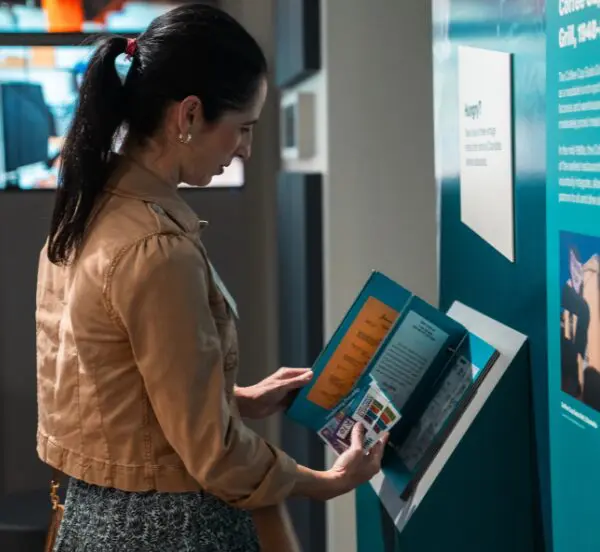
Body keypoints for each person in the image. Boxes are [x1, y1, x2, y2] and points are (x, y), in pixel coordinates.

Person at [35, 4, 387, 552]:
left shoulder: (88, 212)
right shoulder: (155, 251)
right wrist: (328, 483)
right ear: (190, 115)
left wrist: (237, 397)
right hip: (167, 531)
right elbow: (215, 459)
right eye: (242, 128)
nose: (245, 148)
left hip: (93, 520)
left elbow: (109, 386)